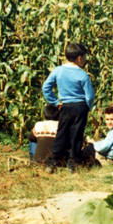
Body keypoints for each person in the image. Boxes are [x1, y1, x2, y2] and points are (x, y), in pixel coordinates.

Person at [42, 42, 95, 173]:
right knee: (77, 136)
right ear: (79, 58)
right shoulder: (83, 74)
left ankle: (52, 162)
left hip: (65, 106)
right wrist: (87, 107)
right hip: (80, 107)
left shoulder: (58, 70)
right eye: (84, 56)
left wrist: (55, 102)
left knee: (62, 134)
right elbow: (90, 95)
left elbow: (46, 88)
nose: (85, 59)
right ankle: (73, 165)